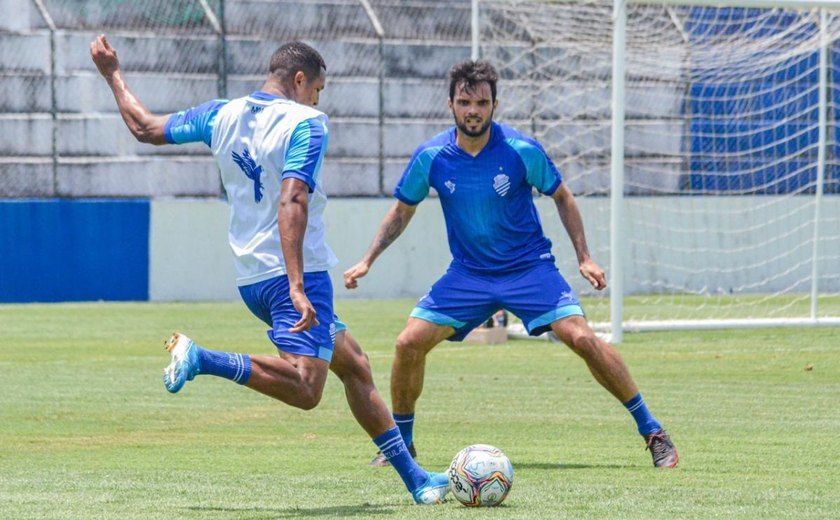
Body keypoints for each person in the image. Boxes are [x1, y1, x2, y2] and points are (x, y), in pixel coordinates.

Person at [89, 34, 450, 503]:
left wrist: (112, 74)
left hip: (252, 276)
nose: (318, 99)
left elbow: (145, 127)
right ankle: (202, 358)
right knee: (305, 388)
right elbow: (292, 196)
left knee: (355, 366)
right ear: (300, 81)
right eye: (317, 89)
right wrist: (299, 285)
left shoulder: (221, 113)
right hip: (296, 276)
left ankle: (416, 480)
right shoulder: (307, 122)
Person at [344, 59, 679, 469]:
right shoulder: (431, 157)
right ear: (450, 104)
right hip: (469, 274)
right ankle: (401, 445)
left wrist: (584, 257)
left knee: (583, 339)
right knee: (407, 343)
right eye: (465, 102)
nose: (473, 110)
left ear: (494, 105)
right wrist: (367, 260)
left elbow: (563, 196)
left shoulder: (521, 150)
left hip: (528, 268)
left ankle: (653, 431)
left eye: (481, 102)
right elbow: (401, 211)